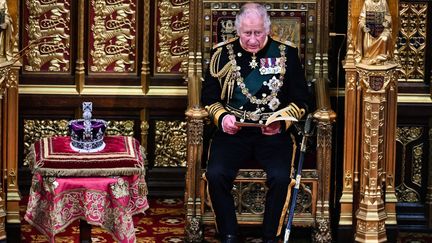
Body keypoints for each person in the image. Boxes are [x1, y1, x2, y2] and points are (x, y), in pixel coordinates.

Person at [201, 3, 311, 243]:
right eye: (247, 33)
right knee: (216, 173)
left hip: (272, 133)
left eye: (258, 33)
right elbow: (209, 98)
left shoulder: (286, 54)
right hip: (233, 132)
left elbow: (302, 100)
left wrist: (281, 124)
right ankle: (229, 233)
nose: (253, 39)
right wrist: (223, 118)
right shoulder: (221, 55)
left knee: (281, 177)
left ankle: (270, 235)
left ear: (268, 29)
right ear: (238, 31)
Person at [355, 0, 393, 64]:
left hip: (381, 29)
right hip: (370, 30)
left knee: (385, 38)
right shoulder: (367, 2)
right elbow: (362, 18)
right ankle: (368, 57)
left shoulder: (383, 2)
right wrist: (363, 27)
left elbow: (388, 16)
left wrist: (387, 22)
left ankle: (382, 58)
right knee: (368, 39)